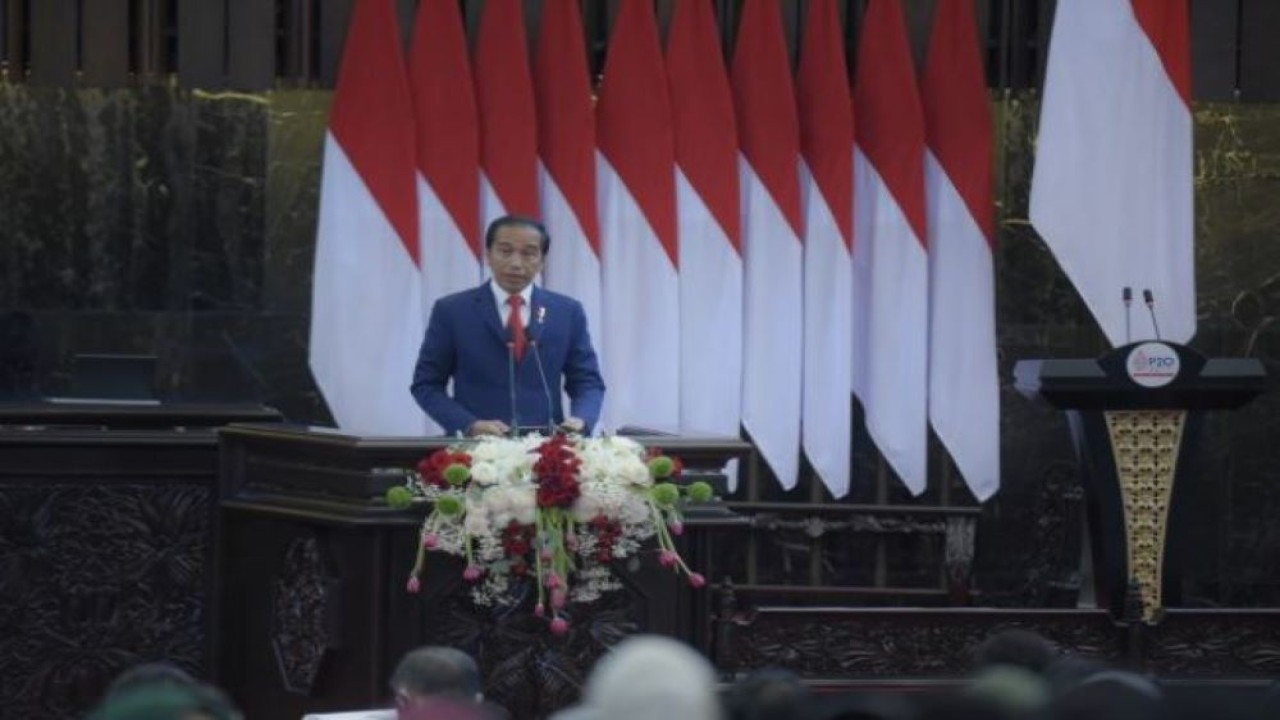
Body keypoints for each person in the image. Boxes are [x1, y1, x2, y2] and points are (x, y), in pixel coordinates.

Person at [412, 215, 605, 437]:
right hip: (475, 451)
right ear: (488, 255)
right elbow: (426, 385)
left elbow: (587, 382)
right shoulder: (452, 311)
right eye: (505, 251)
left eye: (529, 253)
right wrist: (468, 424)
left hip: (548, 452)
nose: (515, 263)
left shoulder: (567, 312)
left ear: (542, 261)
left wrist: (582, 419)